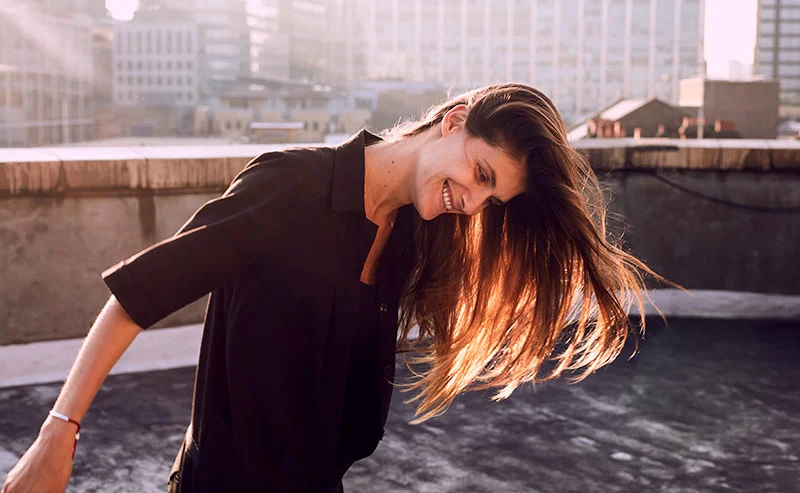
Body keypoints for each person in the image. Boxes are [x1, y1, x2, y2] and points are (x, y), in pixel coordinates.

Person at [2, 83, 657, 492]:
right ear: (455, 119)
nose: (473, 201)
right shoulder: (291, 186)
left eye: (493, 198)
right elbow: (138, 295)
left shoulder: (413, 235)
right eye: (481, 174)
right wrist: (58, 434)